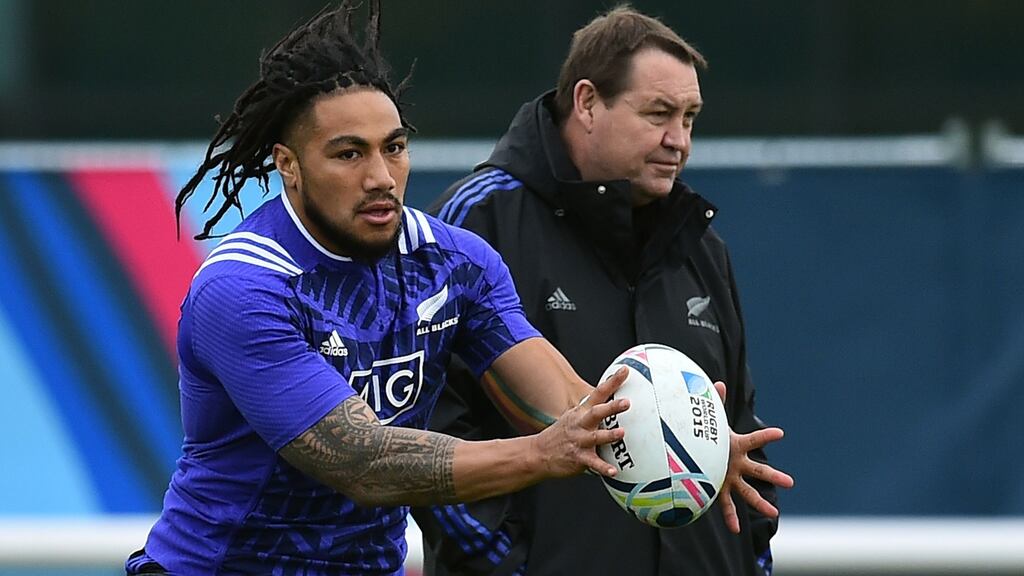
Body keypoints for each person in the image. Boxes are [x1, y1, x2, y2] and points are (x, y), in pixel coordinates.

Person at [127, 2, 791, 574]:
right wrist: (541, 452)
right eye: (349, 153)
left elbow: (563, 398)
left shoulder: (453, 262)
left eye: (394, 147)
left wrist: (671, 442)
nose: (382, 176)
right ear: (289, 168)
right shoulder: (244, 290)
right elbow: (367, 463)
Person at [415, 6, 787, 576]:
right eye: (659, 113)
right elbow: (425, 424)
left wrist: (747, 559)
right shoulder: (476, 224)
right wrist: (511, 565)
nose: (678, 141)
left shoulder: (701, 246)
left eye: (690, 117)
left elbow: (739, 428)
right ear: (587, 102)